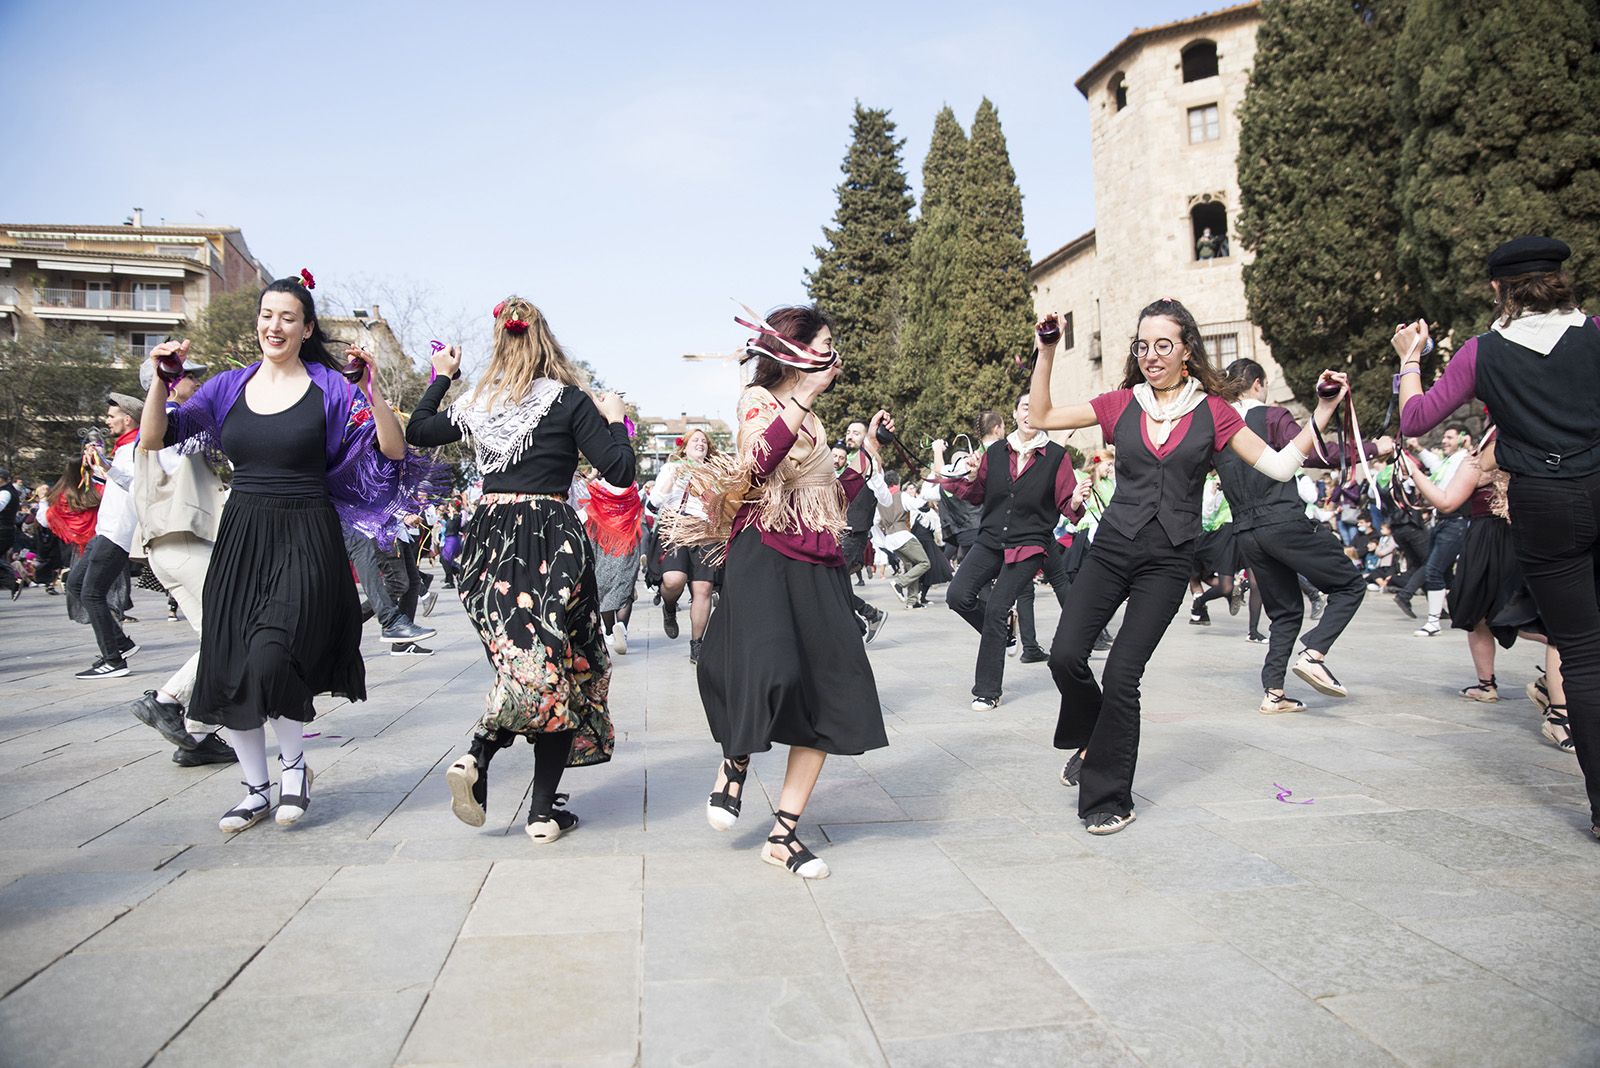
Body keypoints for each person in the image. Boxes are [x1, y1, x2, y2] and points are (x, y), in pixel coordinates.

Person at [1030, 299, 1348, 834]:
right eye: (1143, 345)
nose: (1151, 356)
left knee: (1123, 675)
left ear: (1186, 350)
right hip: (1110, 550)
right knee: (1064, 657)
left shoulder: (1214, 412)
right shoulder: (1119, 403)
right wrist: (1047, 351)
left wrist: (1322, 412)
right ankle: (1093, 741)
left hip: (1168, 560)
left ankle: (1108, 797)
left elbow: (1276, 464)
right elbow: (1041, 418)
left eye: (1163, 345)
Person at [139, 272, 418, 834]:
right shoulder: (228, 386)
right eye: (268, 315)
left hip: (306, 531)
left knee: (274, 651)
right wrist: (160, 382)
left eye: (288, 317)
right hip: (242, 533)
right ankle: (255, 787)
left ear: (306, 327)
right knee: (230, 662)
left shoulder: (329, 387)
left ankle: (294, 770)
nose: (275, 325)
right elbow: (153, 438)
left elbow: (392, 449)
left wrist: (371, 390)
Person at [662, 304, 888, 879]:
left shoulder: (813, 419)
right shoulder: (757, 402)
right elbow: (760, 464)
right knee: (772, 671)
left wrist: (865, 464)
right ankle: (735, 761)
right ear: (796, 350)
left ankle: (783, 835)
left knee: (832, 692)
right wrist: (805, 396)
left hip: (819, 559)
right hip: (766, 552)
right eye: (825, 342)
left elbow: (823, 490)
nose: (833, 352)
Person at [406, 297, 634, 844]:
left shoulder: (478, 401)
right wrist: (615, 420)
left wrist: (442, 377)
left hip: (486, 539)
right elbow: (621, 470)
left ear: (500, 343)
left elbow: (418, 429)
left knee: (529, 665)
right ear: (545, 340)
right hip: (549, 538)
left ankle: (504, 779)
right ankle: (517, 792)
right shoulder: (570, 400)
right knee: (561, 664)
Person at [1215, 358, 1392, 712]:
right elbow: (1317, 453)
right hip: (1282, 522)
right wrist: (1376, 448)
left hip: (1246, 532)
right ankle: (1314, 653)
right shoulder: (1270, 417)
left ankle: (1274, 693)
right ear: (1257, 383)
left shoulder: (1220, 430)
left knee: (1285, 611)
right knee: (1350, 585)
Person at [936, 391, 1083, 712]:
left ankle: (987, 690)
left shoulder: (1057, 456)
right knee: (957, 595)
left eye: (1036, 408)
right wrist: (973, 476)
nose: (1030, 413)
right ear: (1014, 415)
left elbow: (1067, 502)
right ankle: (1003, 633)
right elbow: (976, 495)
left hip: (1029, 545)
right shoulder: (995, 454)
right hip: (990, 540)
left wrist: (1074, 502)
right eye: (1024, 407)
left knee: (997, 607)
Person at [124, 357, 235, 766]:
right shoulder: (171, 423)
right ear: (169, 384)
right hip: (186, 542)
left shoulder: (164, 428)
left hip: (167, 549)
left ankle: (197, 738)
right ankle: (167, 702)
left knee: (219, 639)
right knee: (236, 630)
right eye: (191, 375)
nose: (198, 381)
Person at [67, 394, 145, 678]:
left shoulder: (138, 447)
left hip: (118, 533)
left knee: (91, 593)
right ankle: (121, 643)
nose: (107, 421)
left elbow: (137, 486)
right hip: (105, 530)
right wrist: (97, 467)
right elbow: (114, 484)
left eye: (112, 416)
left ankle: (113, 659)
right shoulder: (123, 448)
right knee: (75, 584)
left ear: (127, 418)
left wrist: (106, 464)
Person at [649, 429, 731, 660]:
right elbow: (653, 504)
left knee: (703, 588)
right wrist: (674, 478)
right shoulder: (671, 468)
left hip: (706, 532)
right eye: (695, 440)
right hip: (677, 529)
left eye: (704, 441)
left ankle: (697, 644)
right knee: (674, 580)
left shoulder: (716, 472)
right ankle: (669, 604)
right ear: (684, 447)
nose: (700, 443)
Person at [1392, 426, 1472, 635]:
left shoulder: (1465, 459)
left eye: (1449, 437)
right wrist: (1418, 449)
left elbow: (1441, 474)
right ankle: (1459, 612)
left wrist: (1415, 469)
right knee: (1443, 572)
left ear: (1464, 439)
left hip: (1456, 521)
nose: (1444, 441)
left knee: (1434, 569)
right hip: (1443, 521)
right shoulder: (1452, 460)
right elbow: (1438, 468)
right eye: (1444, 437)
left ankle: (1434, 622)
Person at [587, 474, 645, 654]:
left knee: (603, 588)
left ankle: (610, 630)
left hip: (602, 540)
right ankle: (621, 626)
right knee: (625, 589)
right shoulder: (632, 488)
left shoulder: (596, 486)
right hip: (627, 541)